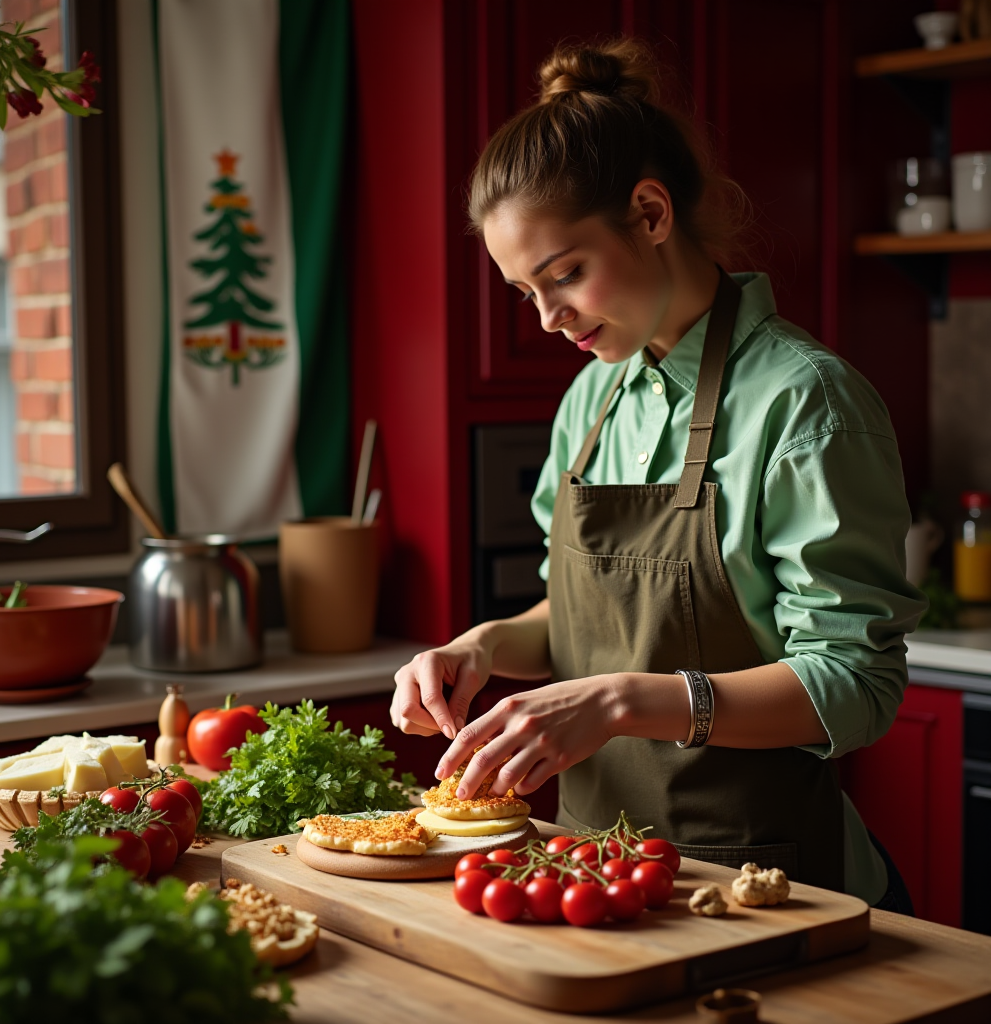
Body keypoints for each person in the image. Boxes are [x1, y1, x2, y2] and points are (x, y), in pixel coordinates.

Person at [390, 38, 926, 907]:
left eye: (565, 276)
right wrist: (480, 647)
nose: (549, 319)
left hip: (764, 883)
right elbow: (574, 620)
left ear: (649, 213)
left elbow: (855, 683)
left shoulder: (805, 402)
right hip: (589, 872)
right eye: (526, 292)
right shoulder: (592, 401)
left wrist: (622, 702)